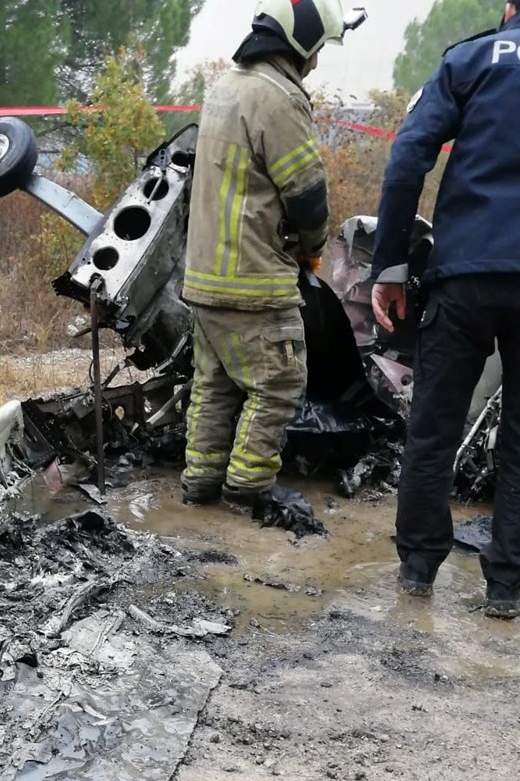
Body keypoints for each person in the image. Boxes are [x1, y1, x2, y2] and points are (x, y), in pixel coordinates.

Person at [372, 0, 520, 618]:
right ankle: (505, 588)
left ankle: (417, 570)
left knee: (435, 424)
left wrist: (392, 265)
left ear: (511, 8)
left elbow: (408, 156)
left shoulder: (473, 57)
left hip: (465, 276)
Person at [181, 1, 361, 513]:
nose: (318, 62)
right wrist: (312, 250)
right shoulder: (278, 97)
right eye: (319, 49)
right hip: (254, 280)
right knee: (280, 385)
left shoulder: (226, 86)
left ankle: (201, 486)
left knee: (214, 387)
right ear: (300, 42)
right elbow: (306, 193)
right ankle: (248, 488)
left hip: (206, 278)